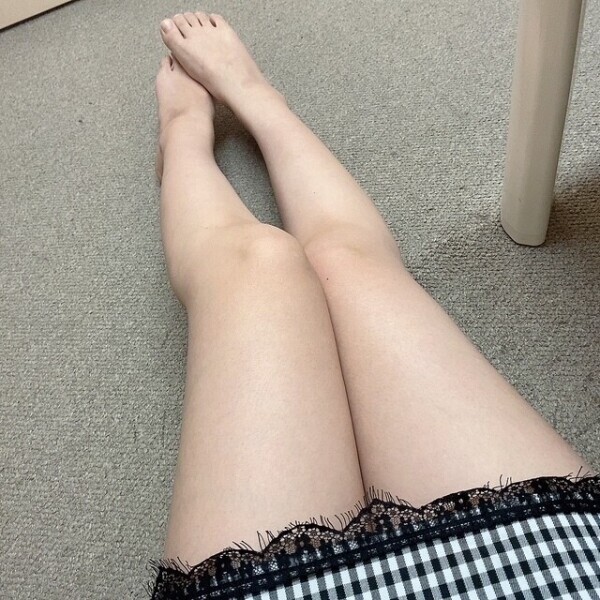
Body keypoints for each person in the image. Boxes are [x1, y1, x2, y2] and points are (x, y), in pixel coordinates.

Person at [148, 10, 600, 599]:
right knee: (346, 264)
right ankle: (258, 99)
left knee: (255, 267)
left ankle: (182, 132)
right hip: (544, 567)